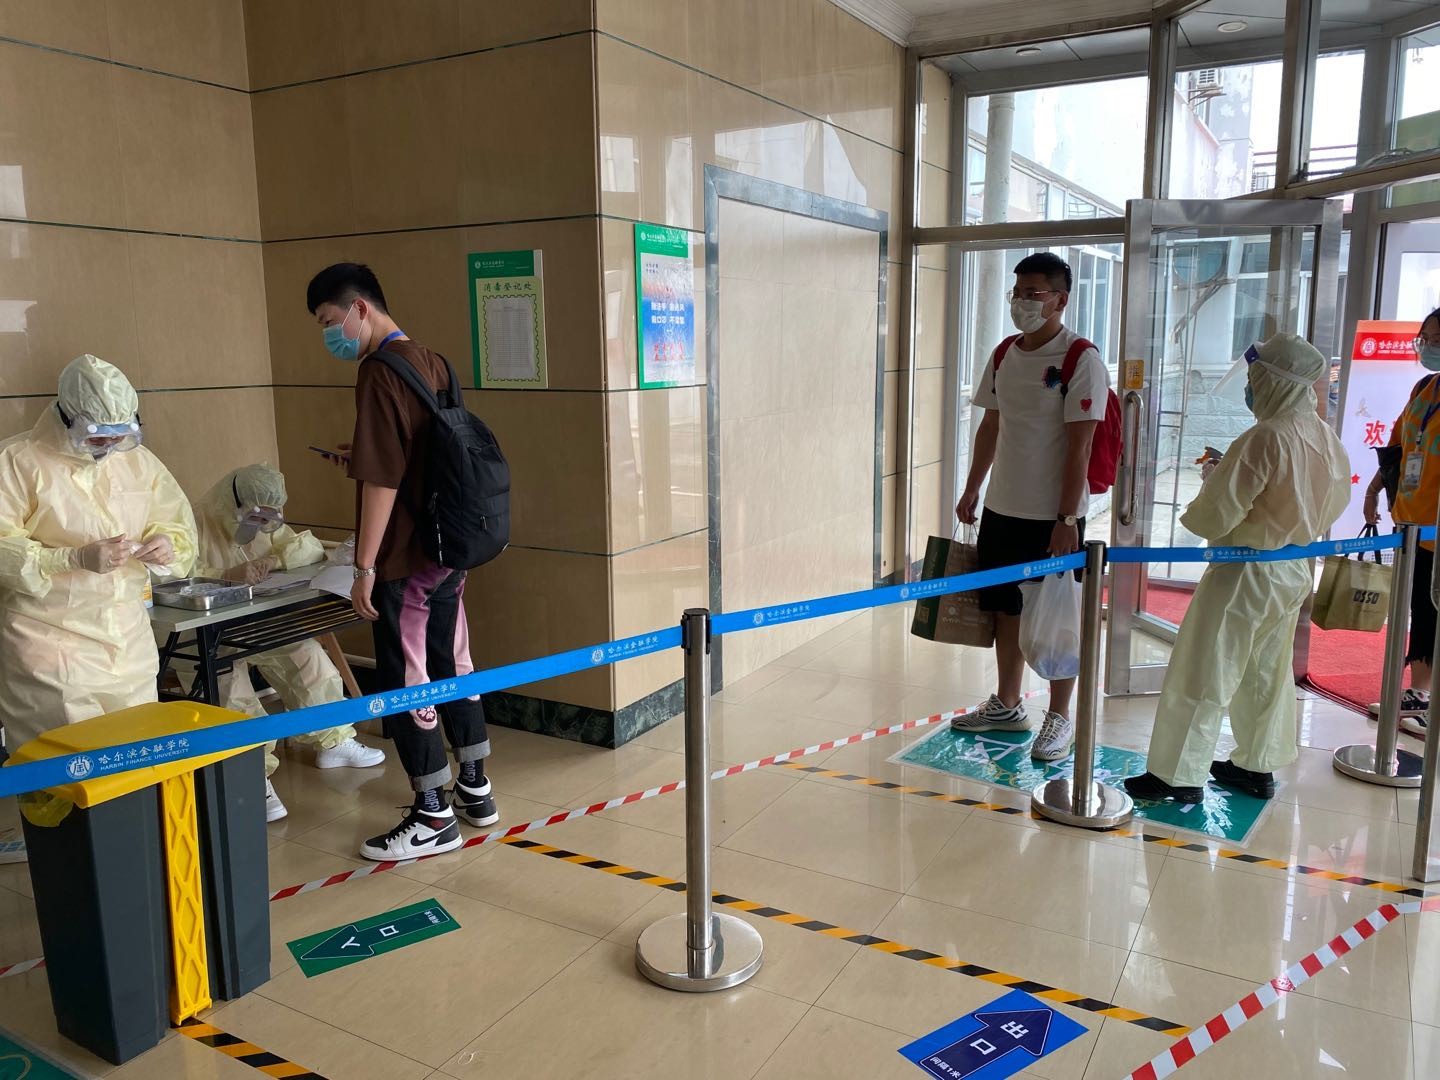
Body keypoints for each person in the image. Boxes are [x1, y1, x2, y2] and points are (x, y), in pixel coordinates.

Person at [306, 263, 498, 861]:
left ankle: (433, 814)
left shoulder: (378, 371)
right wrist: (360, 458)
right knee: (454, 660)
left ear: (360, 308)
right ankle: (475, 787)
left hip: (408, 557)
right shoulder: (434, 362)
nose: (330, 334)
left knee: (409, 679)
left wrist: (364, 567)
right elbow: (425, 453)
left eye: (329, 320)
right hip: (449, 546)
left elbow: (384, 480)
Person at [1126, 333, 1350, 802]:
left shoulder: (1264, 437)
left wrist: (1214, 479)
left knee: (1206, 668)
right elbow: (1332, 500)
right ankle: (1255, 766)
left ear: (1274, 382)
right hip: (1292, 567)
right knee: (1266, 673)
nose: (1250, 388)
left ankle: (1177, 776)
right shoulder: (1323, 437)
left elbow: (1215, 515)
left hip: (1245, 570)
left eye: (1255, 378)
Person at [953, 253, 1111, 761]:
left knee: (1058, 618)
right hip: (1003, 509)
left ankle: (1059, 717)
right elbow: (991, 425)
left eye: (1033, 293)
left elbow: (1080, 447)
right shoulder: (1005, 353)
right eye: (1017, 292)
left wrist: (1067, 519)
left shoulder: (1081, 359)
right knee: (1006, 609)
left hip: (1052, 517)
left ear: (1060, 299)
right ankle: (1007, 704)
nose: (1021, 301)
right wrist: (973, 488)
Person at [0, 355, 196, 750]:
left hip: (129, 640)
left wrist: (166, 545)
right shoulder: (17, 461)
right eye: (98, 437)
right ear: (66, 418)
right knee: (70, 759)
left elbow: (175, 522)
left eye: (118, 436)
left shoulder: (138, 461)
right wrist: (72, 559)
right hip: (50, 642)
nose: (109, 446)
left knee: (137, 753)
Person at [193, 464, 386, 822]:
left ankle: (333, 739)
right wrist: (223, 576)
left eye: (269, 517)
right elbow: (173, 576)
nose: (262, 524)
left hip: (255, 621)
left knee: (306, 655)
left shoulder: (264, 523)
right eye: (256, 516)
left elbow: (307, 548)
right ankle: (251, 772)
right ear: (235, 503)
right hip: (203, 632)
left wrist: (274, 558)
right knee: (229, 685)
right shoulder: (195, 524)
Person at [1362, 306, 1440, 738]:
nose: (1427, 347)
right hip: (1411, 522)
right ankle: (1420, 693)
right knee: (1421, 609)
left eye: (1436, 339)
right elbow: (1398, 447)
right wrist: (1374, 490)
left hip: (1437, 528)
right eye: (1424, 339)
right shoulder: (1424, 388)